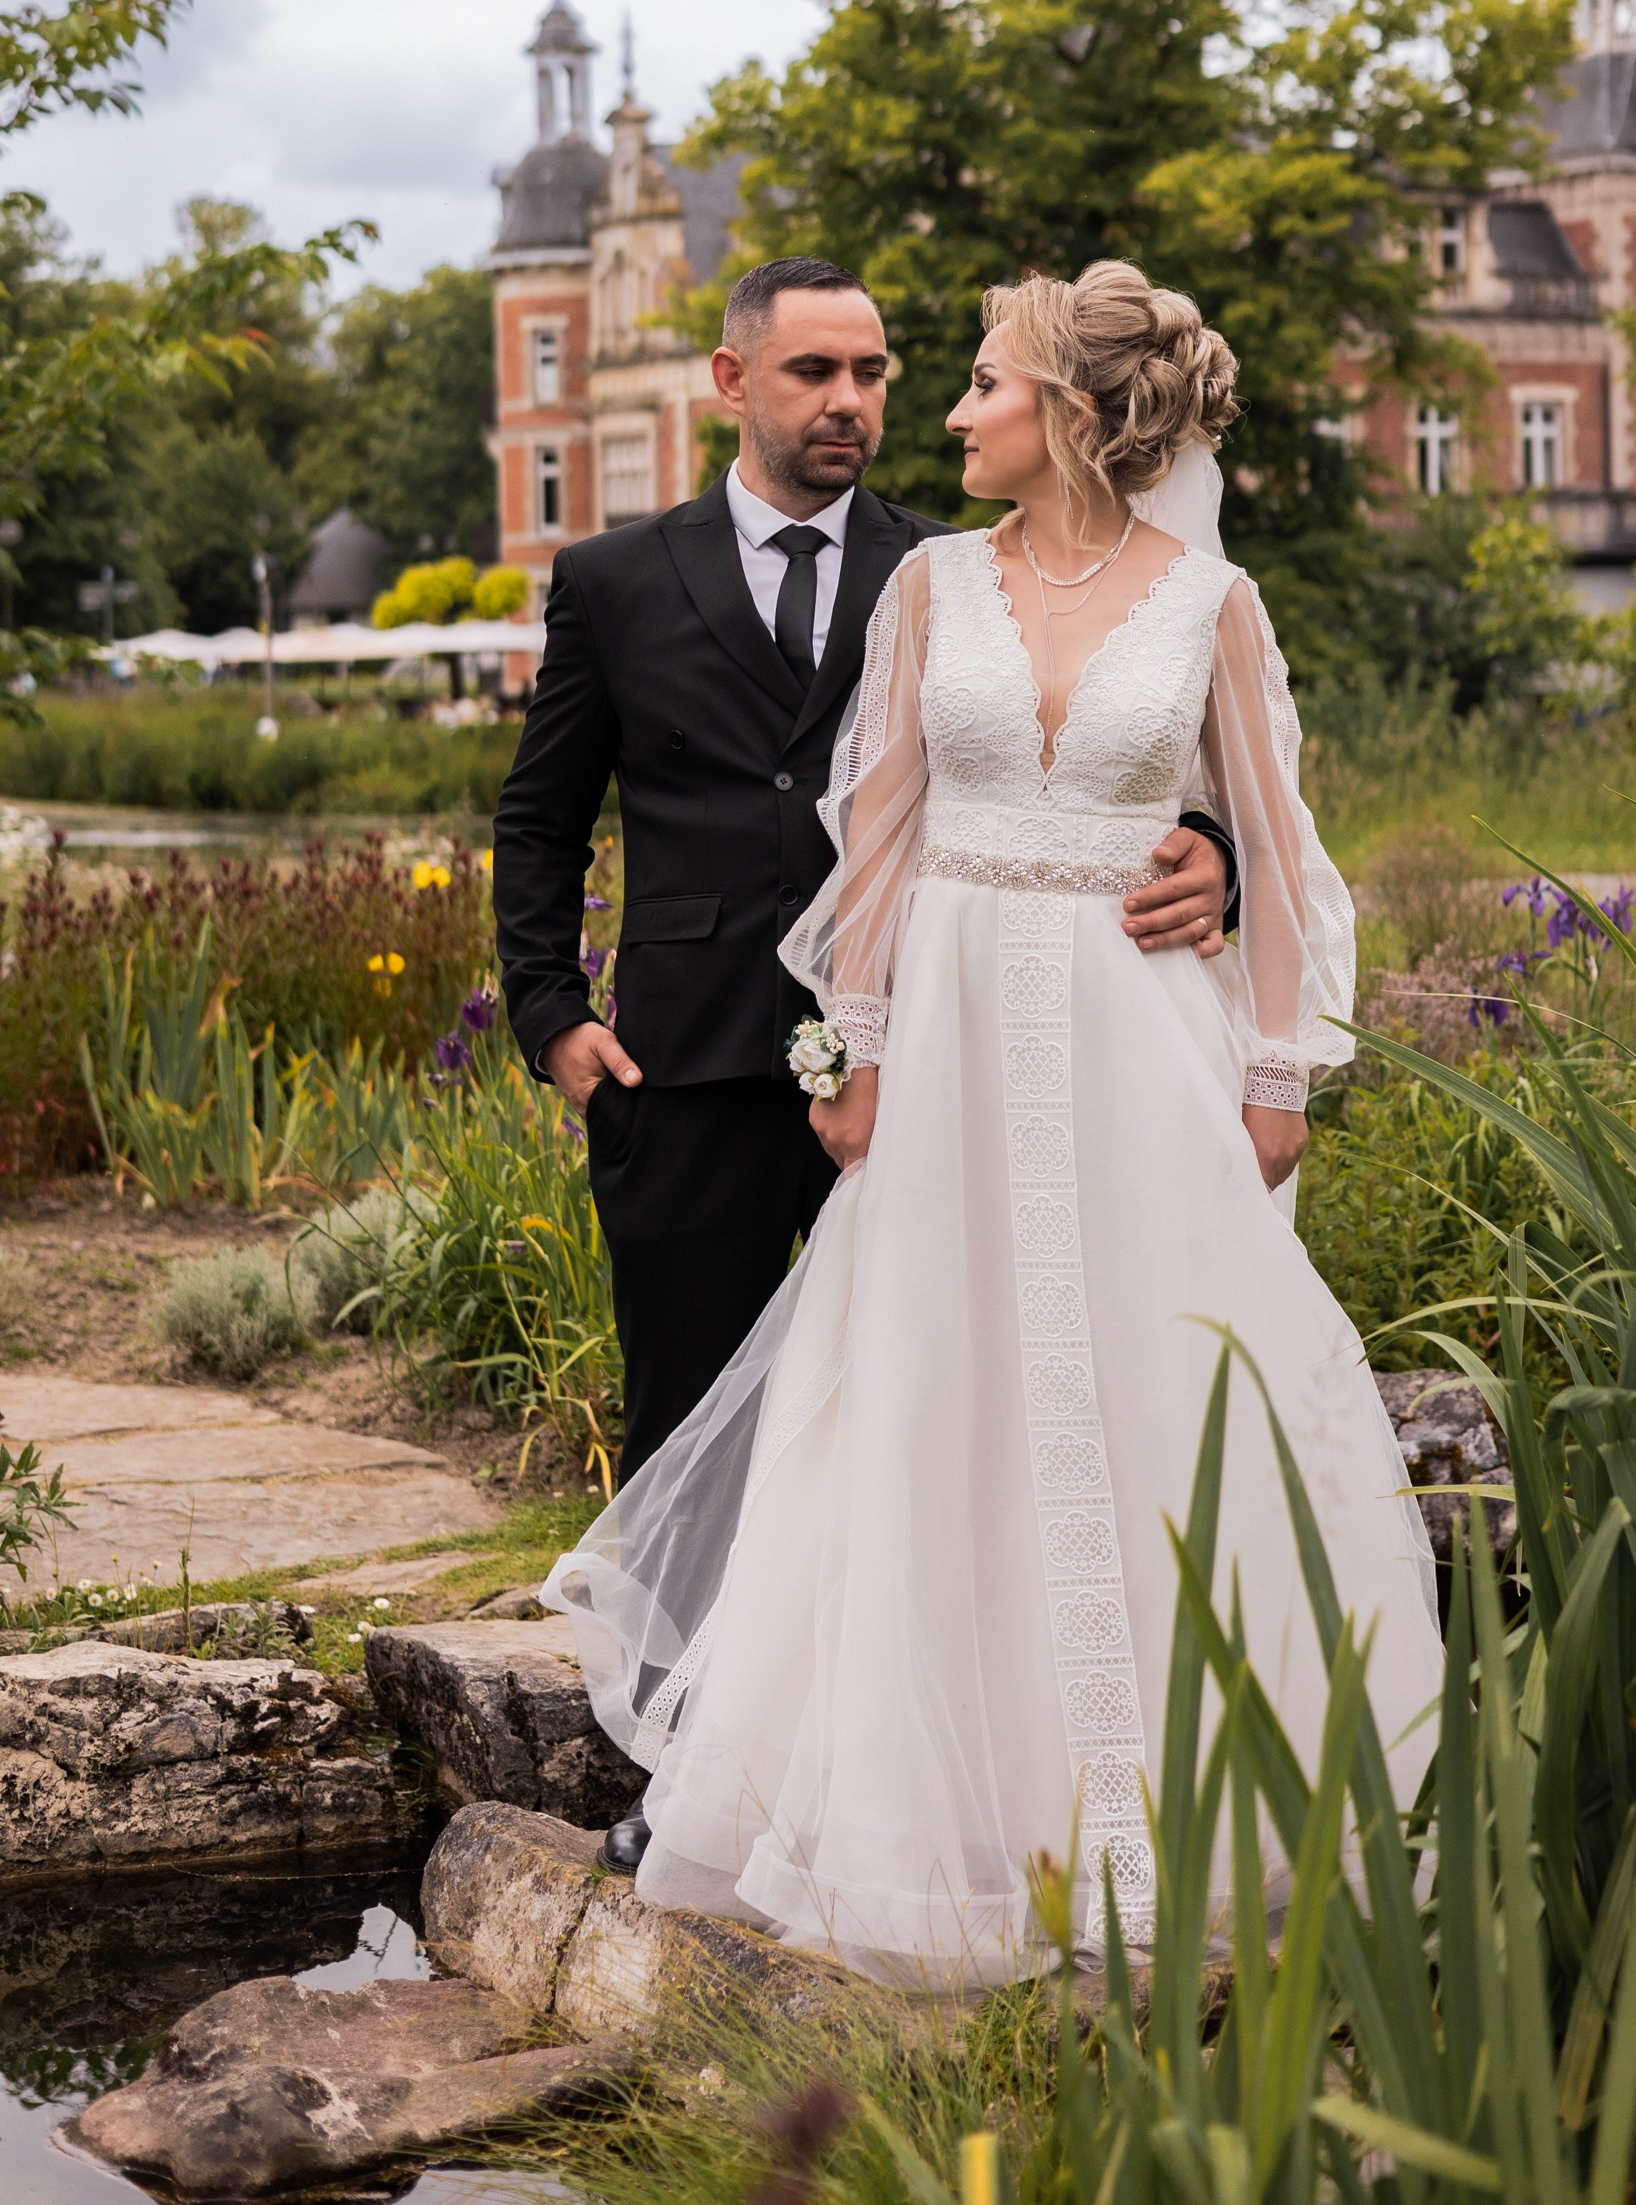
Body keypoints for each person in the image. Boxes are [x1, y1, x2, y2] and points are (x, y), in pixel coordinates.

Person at [544, 261, 1443, 1985]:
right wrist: (854, 1045)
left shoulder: (1212, 605)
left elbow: (1275, 837)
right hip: (943, 1048)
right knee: (932, 1393)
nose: (942, 412)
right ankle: (926, 1824)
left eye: (979, 383)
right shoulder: (931, 587)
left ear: (1080, 415)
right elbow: (872, 830)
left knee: (1141, 1384)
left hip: (1139, 1049)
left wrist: (1275, 1080)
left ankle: (1161, 1812)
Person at [493, 257, 1235, 1871]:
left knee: (917, 1413)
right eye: (816, 371)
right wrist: (554, 1017)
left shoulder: (956, 564)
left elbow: (1135, 748)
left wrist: (1218, 859)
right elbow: (541, 815)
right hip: (677, 1067)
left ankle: (923, 1774)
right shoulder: (618, 577)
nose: (854, 402)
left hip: (936, 1077)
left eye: (879, 372)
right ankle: (685, 1782)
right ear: (731, 380)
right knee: (693, 1405)